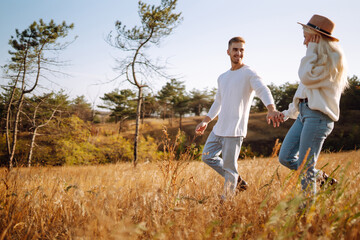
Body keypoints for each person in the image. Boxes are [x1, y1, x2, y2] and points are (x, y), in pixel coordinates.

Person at [195, 36, 282, 198]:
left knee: (230, 169)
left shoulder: (249, 73)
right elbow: (218, 102)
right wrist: (206, 121)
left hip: (235, 131)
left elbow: (263, 89)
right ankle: (238, 181)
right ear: (228, 52)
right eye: (235, 49)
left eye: (242, 50)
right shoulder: (222, 77)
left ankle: (225, 203)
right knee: (207, 157)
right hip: (219, 129)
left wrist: (271, 108)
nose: (238, 53)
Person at [278, 15, 348, 197]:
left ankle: (307, 211)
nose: (304, 42)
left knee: (305, 165)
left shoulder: (333, 59)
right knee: (285, 157)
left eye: (306, 36)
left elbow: (306, 78)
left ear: (316, 37)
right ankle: (324, 179)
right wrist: (287, 113)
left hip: (318, 117)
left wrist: (312, 50)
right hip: (303, 114)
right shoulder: (314, 57)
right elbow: (303, 93)